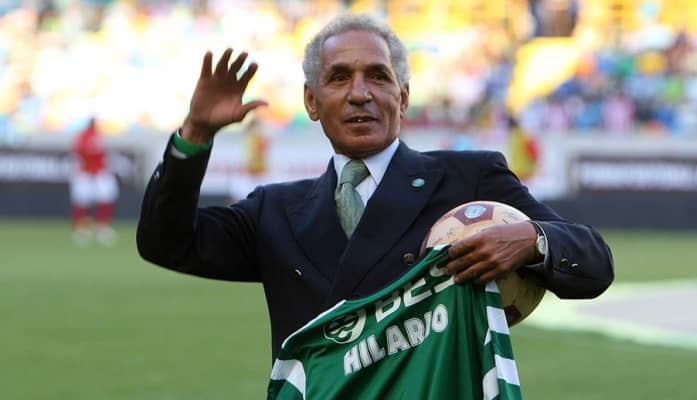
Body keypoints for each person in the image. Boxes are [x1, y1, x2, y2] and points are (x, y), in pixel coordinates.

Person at [137, 14, 613, 365]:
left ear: (402, 97)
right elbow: (166, 243)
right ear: (312, 102)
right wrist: (194, 135)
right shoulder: (274, 211)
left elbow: (594, 263)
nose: (360, 93)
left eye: (378, 76)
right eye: (339, 77)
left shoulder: (469, 181)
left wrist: (532, 238)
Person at [70, 117, 119, 246]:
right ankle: (80, 228)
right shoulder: (83, 136)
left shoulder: (99, 135)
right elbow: (80, 154)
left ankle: (102, 226)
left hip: (99, 171)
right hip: (85, 172)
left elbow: (103, 155)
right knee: (81, 199)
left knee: (106, 195)